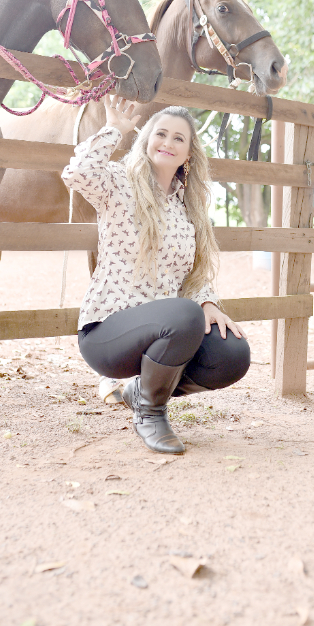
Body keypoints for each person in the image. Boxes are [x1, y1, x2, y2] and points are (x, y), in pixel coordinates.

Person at [61, 95, 250, 455]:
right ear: (146, 140)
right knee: (183, 314)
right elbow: (78, 173)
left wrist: (208, 301)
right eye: (160, 134)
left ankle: (141, 391)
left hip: (169, 332)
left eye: (179, 138)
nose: (168, 142)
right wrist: (115, 128)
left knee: (233, 354)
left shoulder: (186, 207)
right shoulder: (118, 183)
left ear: (189, 153)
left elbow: (189, 272)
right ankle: (150, 412)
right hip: (108, 332)